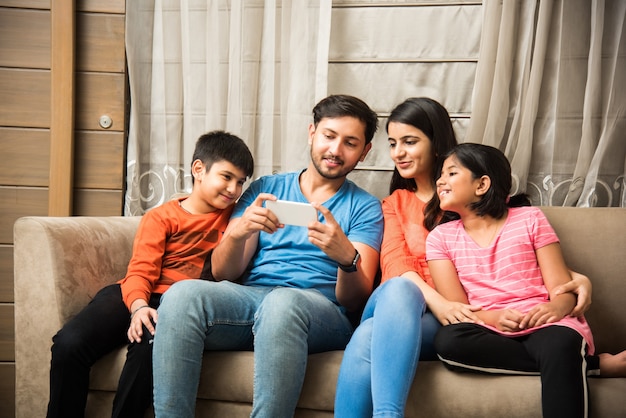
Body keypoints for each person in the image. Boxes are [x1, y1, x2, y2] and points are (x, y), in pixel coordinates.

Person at [334, 98, 595, 418]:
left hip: (451, 316)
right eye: (392, 144)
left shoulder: (469, 202)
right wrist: (443, 305)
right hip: (411, 304)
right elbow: (396, 266)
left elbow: (511, 250)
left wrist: (575, 278)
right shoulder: (396, 203)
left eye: (410, 141)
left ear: (436, 143)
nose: (398, 152)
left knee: (368, 336)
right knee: (402, 292)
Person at [152, 94, 384, 418]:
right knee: (181, 295)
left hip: (321, 312)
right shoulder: (266, 188)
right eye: (329, 136)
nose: (335, 150)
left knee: (282, 303)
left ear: (364, 151)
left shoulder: (365, 207)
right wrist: (239, 231)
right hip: (251, 299)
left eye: (350, 142)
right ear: (312, 133)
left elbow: (356, 300)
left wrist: (346, 257)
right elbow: (223, 273)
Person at [46, 131, 254, 418]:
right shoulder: (161, 217)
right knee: (69, 344)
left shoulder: (235, 217)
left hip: (178, 305)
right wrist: (138, 306)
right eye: (226, 176)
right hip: (134, 293)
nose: (233, 188)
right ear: (199, 170)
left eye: (241, 182)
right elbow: (141, 270)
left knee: (147, 351)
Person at [427, 143, 626, 418]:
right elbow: (458, 309)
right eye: (440, 174)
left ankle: (566, 357)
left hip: (546, 325)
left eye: (451, 173)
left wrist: (555, 309)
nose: (440, 180)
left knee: (561, 342)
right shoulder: (440, 238)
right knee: (449, 341)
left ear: (482, 184)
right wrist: (495, 318)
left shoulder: (530, 219)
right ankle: (588, 364)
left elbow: (563, 289)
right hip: (489, 328)